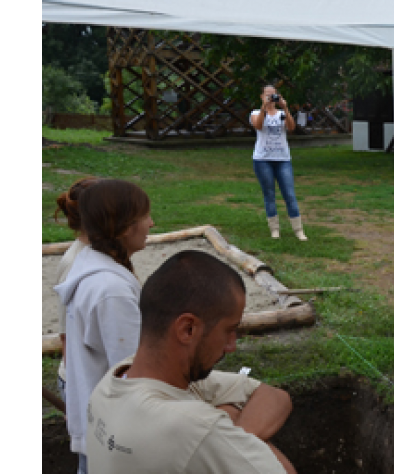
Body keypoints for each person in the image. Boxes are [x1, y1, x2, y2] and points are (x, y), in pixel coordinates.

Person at [87, 250, 297, 473]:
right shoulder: (194, 429)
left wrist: (235, 438)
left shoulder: (112, 383)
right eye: (229, 330)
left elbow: (274, 396)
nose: (231, 345)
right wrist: (229, 432)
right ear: (187, 329)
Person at [54, 179, 154, 473]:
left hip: (98, 424)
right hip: (116, 434)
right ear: (124, 228)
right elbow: (132, 374)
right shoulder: (111, 290)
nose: (152, 223)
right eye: (145, 216)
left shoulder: (92, 267)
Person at [52, 177, 101, 402]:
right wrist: (76, 394)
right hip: (85, 383)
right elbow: (66, 334)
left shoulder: (102, 255)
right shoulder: (76, 263)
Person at [250, 84, 307, 241]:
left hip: (282, 159)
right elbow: (258, 125)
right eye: (267, 95)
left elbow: (291, 127)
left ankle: (298, 231)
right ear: (262, 97)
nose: (270, 98)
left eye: (273, 95)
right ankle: (275, 230)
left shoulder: (281, 113)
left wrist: (286, 109)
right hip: (262, 160)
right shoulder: (255, 113)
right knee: (269, 194)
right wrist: (264, 108)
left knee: (289, 194)